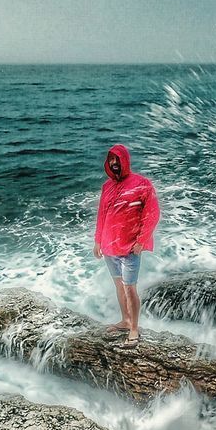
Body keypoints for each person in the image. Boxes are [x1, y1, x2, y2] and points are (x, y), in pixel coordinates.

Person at [93, 143, 160, 347]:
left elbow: (152, 214)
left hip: (130, 248)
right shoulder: (107, 186)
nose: (114, 163)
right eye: (110, 159)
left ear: (125, 160)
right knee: (119, 286)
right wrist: (97, 241)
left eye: (117, 159)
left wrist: (141, 241)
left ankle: (134, 329)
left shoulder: (142, 184)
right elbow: (102, 215)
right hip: (109, 247)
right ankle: (125, 321)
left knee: (130, 288)